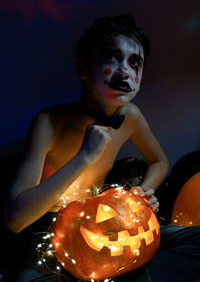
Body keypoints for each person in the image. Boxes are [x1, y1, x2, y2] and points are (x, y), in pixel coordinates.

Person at [4, 14, 200, 282]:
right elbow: (16, 219)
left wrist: (142, 192)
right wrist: (84, 157)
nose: (124, 71)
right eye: (111, 58)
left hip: (111, 223)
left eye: (135, 62)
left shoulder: (130, 116)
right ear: (83, 68)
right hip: (56, 232)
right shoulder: (48, 123)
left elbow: (159, 162)